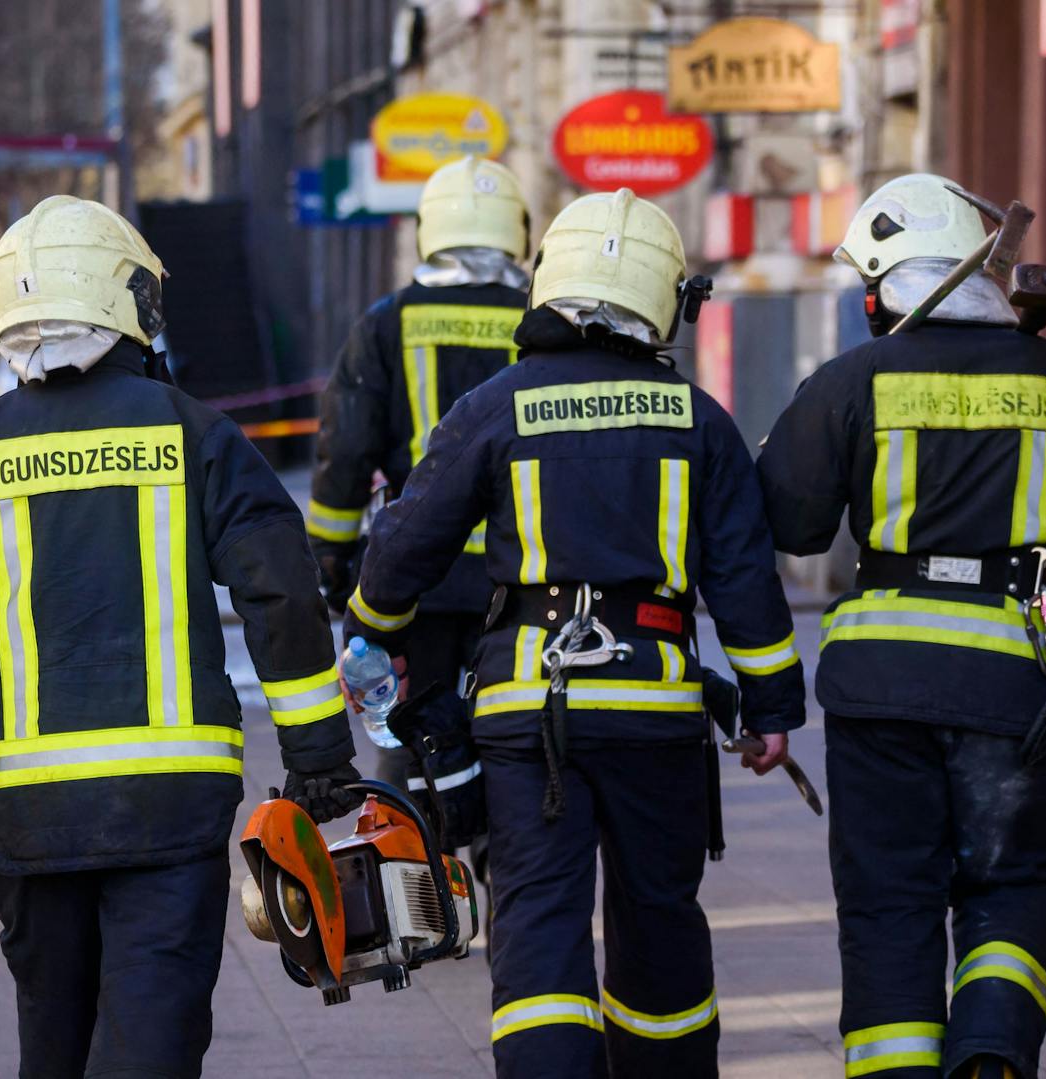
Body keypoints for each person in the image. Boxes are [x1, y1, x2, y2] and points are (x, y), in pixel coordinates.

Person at [0, 195, 360, 1079]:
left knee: (54, 1037)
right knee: (151, 1036)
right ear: (124, 302)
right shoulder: (200, 435)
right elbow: (282, 592)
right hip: (171, 803)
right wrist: (317, 755)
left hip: (27, 810)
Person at [342, 188, 806, 1078]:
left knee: (541, 916)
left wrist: (373, 632)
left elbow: (403, 544)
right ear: (663, 297)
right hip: (655, 713)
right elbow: (745, 582)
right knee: (659, 913)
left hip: (527, 717)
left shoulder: (497, 404)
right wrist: (773, 710)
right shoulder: (697, 419)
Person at [757, 174, 1046, 1079]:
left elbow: (793, 524)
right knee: (1011, 884)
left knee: (889, 897)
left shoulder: (851, 379)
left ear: (881, 289)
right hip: (1015, 686)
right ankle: (990, 1052)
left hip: (880, 685)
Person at [308, 156, 530, 778]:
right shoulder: (541, 321)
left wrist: (329, 556)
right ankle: (501, 853)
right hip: (520, 575)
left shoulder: (386, 323)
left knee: (413, 744)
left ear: (428, 228)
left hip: (416, 578)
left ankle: (415, 862)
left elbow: (346, 449)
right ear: (517, 228)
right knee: (515, 741)